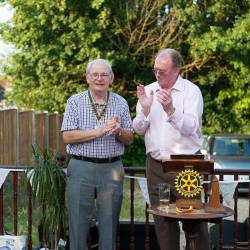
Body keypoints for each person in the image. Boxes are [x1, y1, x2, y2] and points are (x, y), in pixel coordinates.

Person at [133, 48, 208, 250]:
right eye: (155, 70)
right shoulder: (148, 90)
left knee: (194, 220)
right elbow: (138, 130)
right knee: (163, 220)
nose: (157, 74)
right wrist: (146, 110)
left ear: (176, 70)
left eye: (162, 71)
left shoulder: (191, 91)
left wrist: (171, 111)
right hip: (156, 166)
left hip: (186, 166)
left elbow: (192, 128)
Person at [61, 58, 134, 250]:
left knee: (109, 225)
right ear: (87, 78)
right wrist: (99, 131)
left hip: (111, 169)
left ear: (111, 78)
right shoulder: (75, 102)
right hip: (81, 167)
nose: (99, 78)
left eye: (104, 75)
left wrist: (118, 131)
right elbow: (67, 136)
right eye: (95, 74)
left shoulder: (121, 102)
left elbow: (130, 139)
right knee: (78, 224)